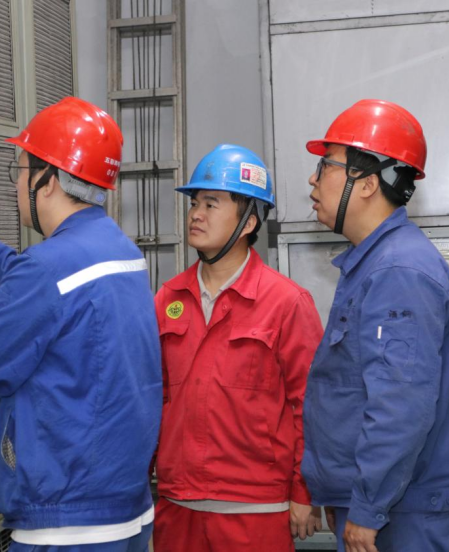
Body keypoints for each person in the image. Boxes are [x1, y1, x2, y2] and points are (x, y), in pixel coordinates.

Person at [0, 96, 162, 552]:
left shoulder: (47, 270)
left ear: (47, 180)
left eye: (22, 170)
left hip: (66, 526)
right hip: (127, 514)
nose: (17, 184)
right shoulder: (120, 250)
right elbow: (31, 280)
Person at [301, 99, 449, 552]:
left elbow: (400, 406)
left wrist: (367, 507)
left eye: (326, 165)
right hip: (380, 505)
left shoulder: (398, 272)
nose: (313, 180)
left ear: (368, 183)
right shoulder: (377, 263)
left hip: (396, 515)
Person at [152, 144, 324, 551]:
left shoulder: (286, 303)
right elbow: (150, 396)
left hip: (255, 510)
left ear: (249, 221)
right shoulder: (167, 298)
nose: (196, 214)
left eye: (211, 204)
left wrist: (304, 491)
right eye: (194, 203)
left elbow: (311, 406)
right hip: (178, 506)